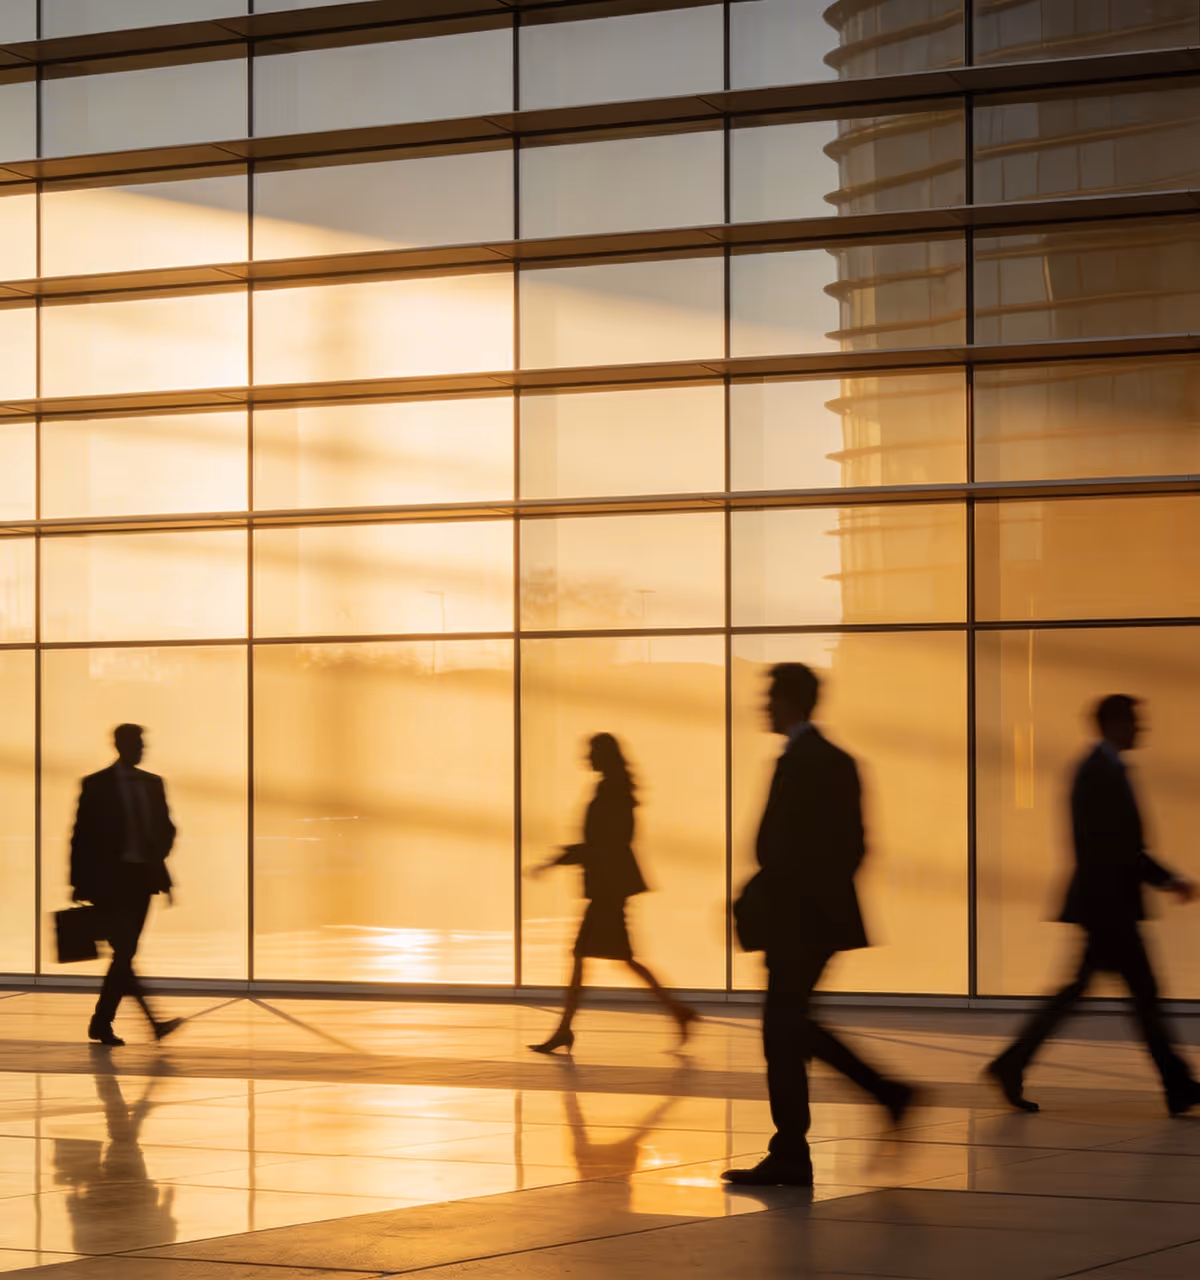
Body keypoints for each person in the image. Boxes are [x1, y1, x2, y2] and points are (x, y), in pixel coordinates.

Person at [723, 663, 916, 1189]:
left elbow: (816, 847)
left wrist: (785, 899)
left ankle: (864, 1107)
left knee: (783, 1027)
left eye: (769, 695)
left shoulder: (812, 761)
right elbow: (851, 845)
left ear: (788, 701)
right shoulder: (824, 759)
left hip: (800, 919)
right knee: (788, 1027)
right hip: (807, 917)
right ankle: (802, 1144)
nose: (763, 704)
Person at [987, 695, 1200, 1116]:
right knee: (1140, 995)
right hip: (1108, 906)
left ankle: (1010, 1063)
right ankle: (1177, 1087)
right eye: (1136, 721)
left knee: (1090, 993)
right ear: (1116, 724)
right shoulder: (1097, 773)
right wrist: (1166, 879)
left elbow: (1120, 846)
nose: (1142, 729)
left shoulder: (1103, 770)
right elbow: (1114, 848)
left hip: (1105, 904)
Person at [528, 732, 698, 1054]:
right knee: (611, 958)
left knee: (603, 958)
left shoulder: (611, 792)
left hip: (608, 889)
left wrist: (556, 860)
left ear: (602, 756)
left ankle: (566, 1029)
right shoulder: (615, 789)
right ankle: (677, 1012)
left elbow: (603, 846)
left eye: (590, 752)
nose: (585, 757)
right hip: (610, 887)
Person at [70, 724, 183, 1047]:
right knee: (125, 952)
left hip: (142, 879)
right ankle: (139, 1022)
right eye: (138, 743)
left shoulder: (152, 784)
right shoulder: (96, 785)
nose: (143, 748)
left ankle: (111, 1022)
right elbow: (82, 837)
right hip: (110, 881)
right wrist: (79, 882)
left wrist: (157, 855)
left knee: (125, 953)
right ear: (121, 745)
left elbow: (167, 827)